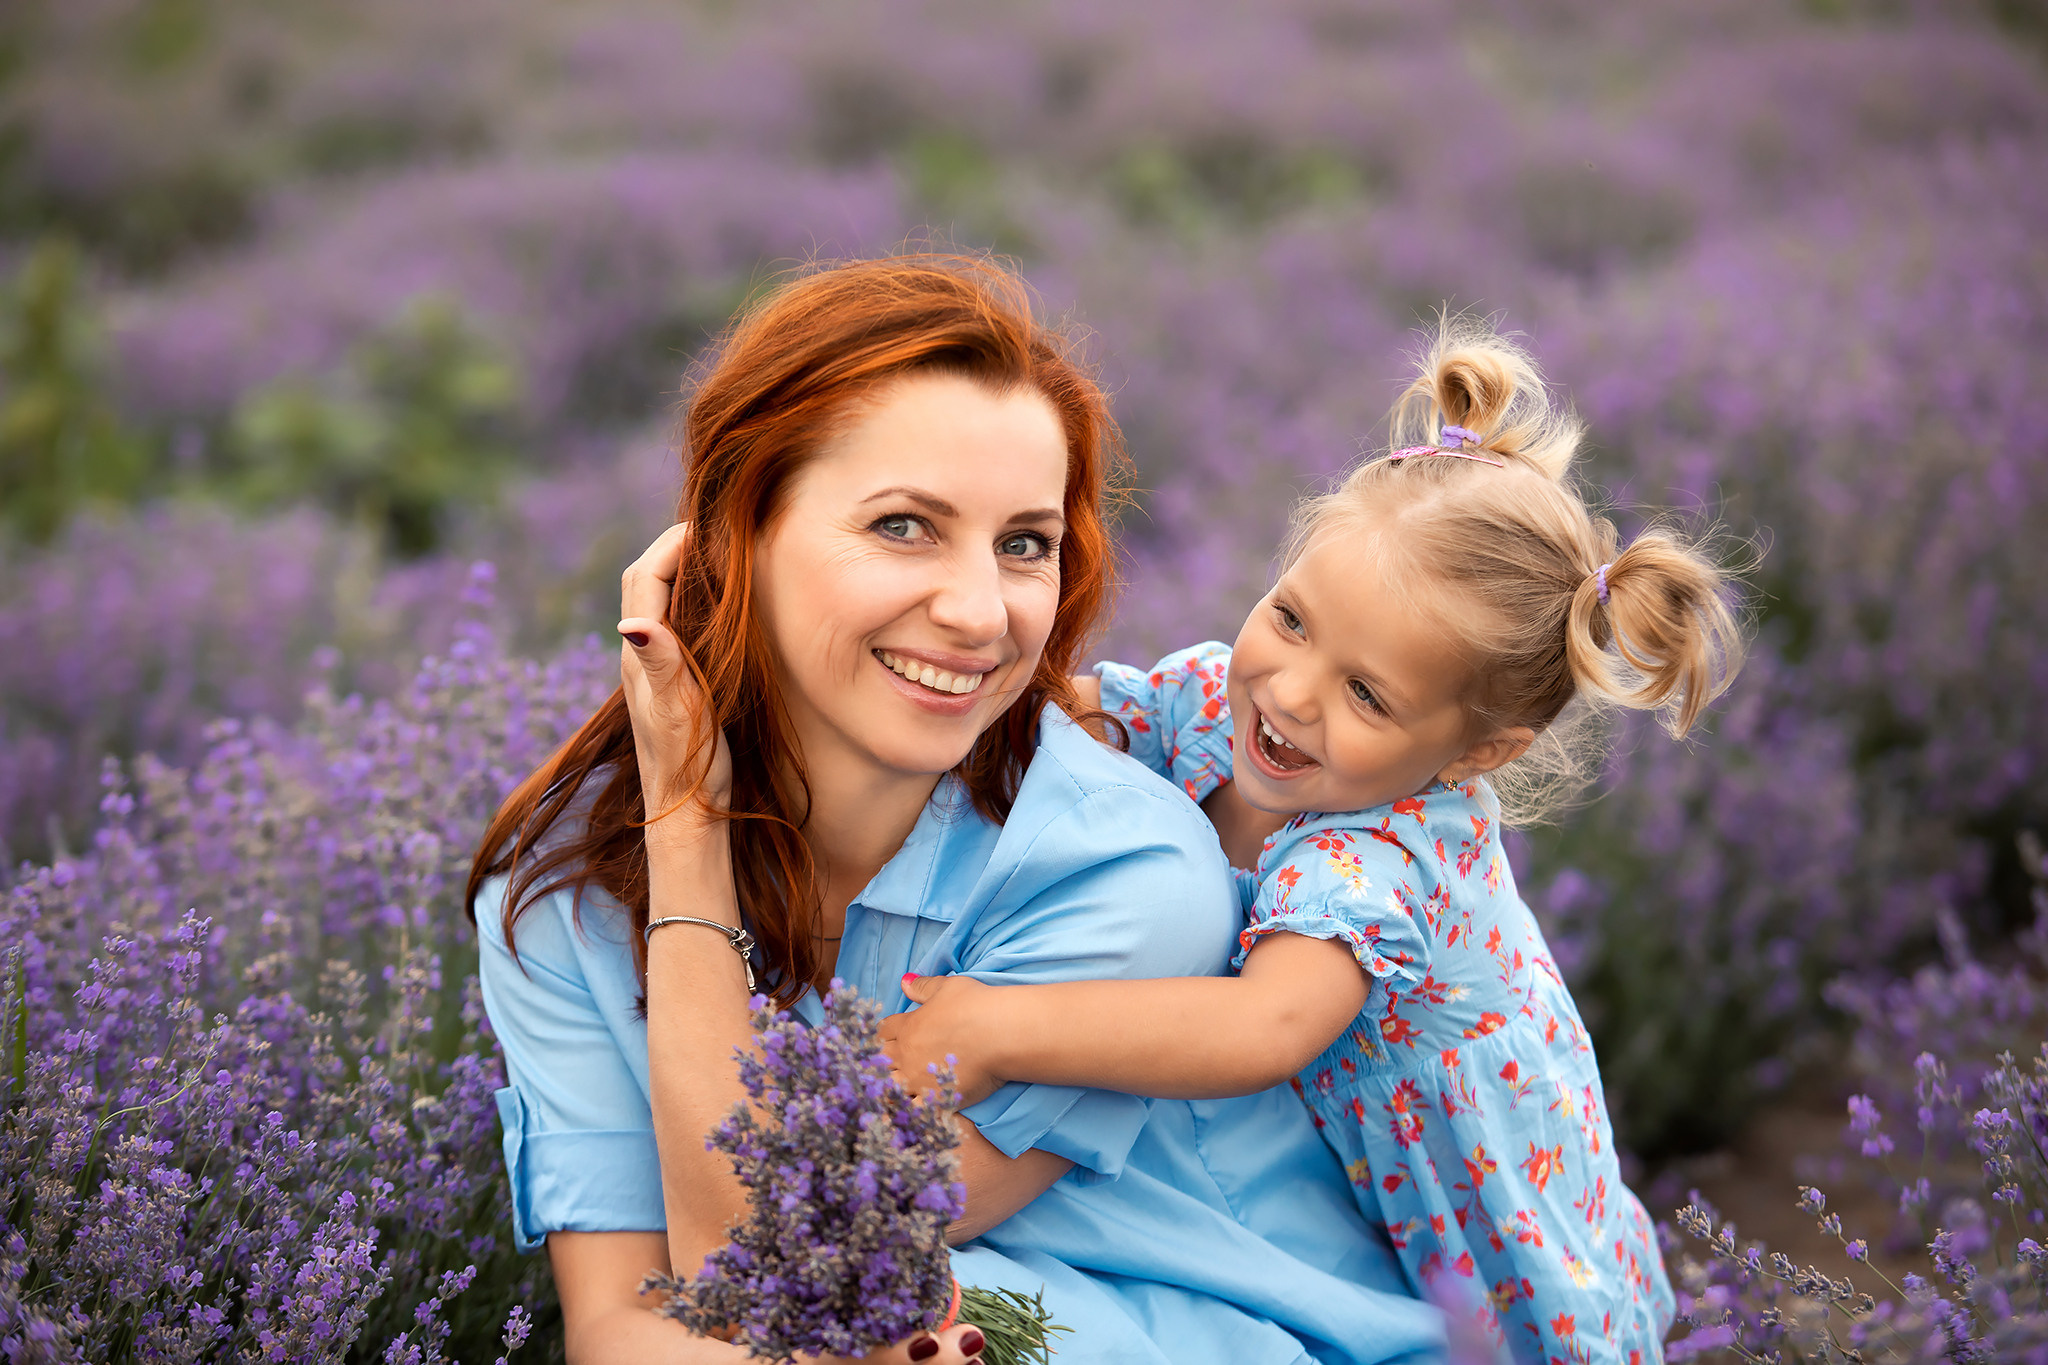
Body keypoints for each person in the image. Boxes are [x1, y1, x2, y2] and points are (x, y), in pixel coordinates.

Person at [467, 254, 1444, 1364]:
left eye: (1023, 544)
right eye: (903, 527)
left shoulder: (1121, 868)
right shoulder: (567, 888)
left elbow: (772, 1269)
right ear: (737, 533)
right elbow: (621, 1326)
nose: (981, 614)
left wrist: (688, 830)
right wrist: (679, 826)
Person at [884, 318, 1748, 1362]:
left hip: (1472, 1216)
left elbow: (1263, 1028)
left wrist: (996, 1028)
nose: (1289, 693)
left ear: (1475, 754)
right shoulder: (1216, 696)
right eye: (1291, 620)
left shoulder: (1374, 857)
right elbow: (1084, 712)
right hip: (1325, 1168)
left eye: (1367, 694)